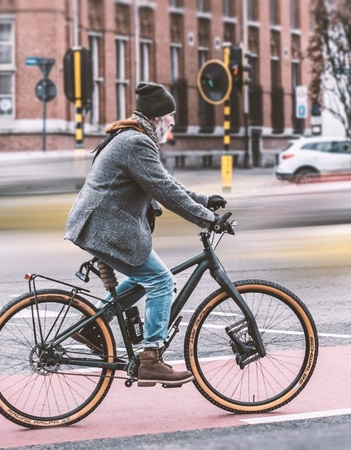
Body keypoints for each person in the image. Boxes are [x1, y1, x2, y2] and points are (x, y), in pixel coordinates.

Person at [64, 82, 228, 387]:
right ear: (157, 118)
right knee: (161, 281)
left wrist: (205, 201)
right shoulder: (136, 143)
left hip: (101, 224)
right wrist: (207, 220)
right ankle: (150, 358)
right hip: (105, 228)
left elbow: (164, 182)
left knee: (146, 277)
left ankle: (92, 326)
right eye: (171, 116)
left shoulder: (132, 138)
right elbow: (165, 191)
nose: (174, 122)